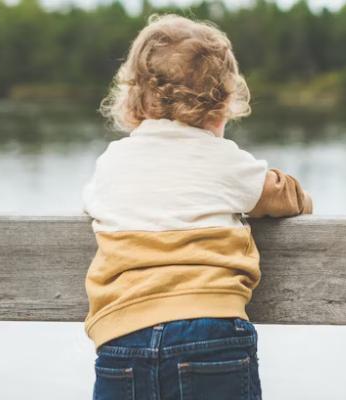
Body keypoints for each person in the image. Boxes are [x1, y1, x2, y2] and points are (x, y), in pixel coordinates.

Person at [83, 14, 313, 400]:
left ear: (133, 99)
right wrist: (300, 197)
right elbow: (283, 196)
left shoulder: (111, 162)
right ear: (221, 105)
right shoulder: (221, 158)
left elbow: (93, 202)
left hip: (120, 339)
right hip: (210, 333)